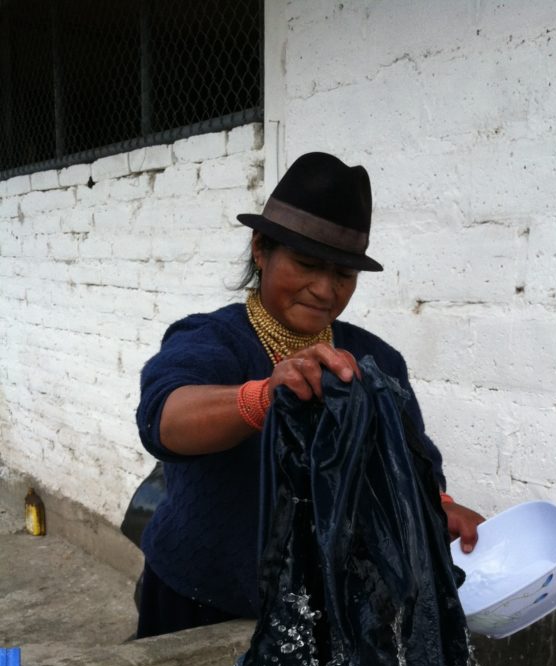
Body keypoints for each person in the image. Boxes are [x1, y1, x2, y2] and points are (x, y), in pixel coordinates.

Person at [135, 152, 483, 639]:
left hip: (322, 613)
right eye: (306, 264)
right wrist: (265, 396)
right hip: (199, 602)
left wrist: (436, 505)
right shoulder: (211, 339)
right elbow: (163, 420)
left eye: (343, 274)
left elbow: (412, 460)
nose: (324, 289)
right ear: (261, 249)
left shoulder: (377, 360)